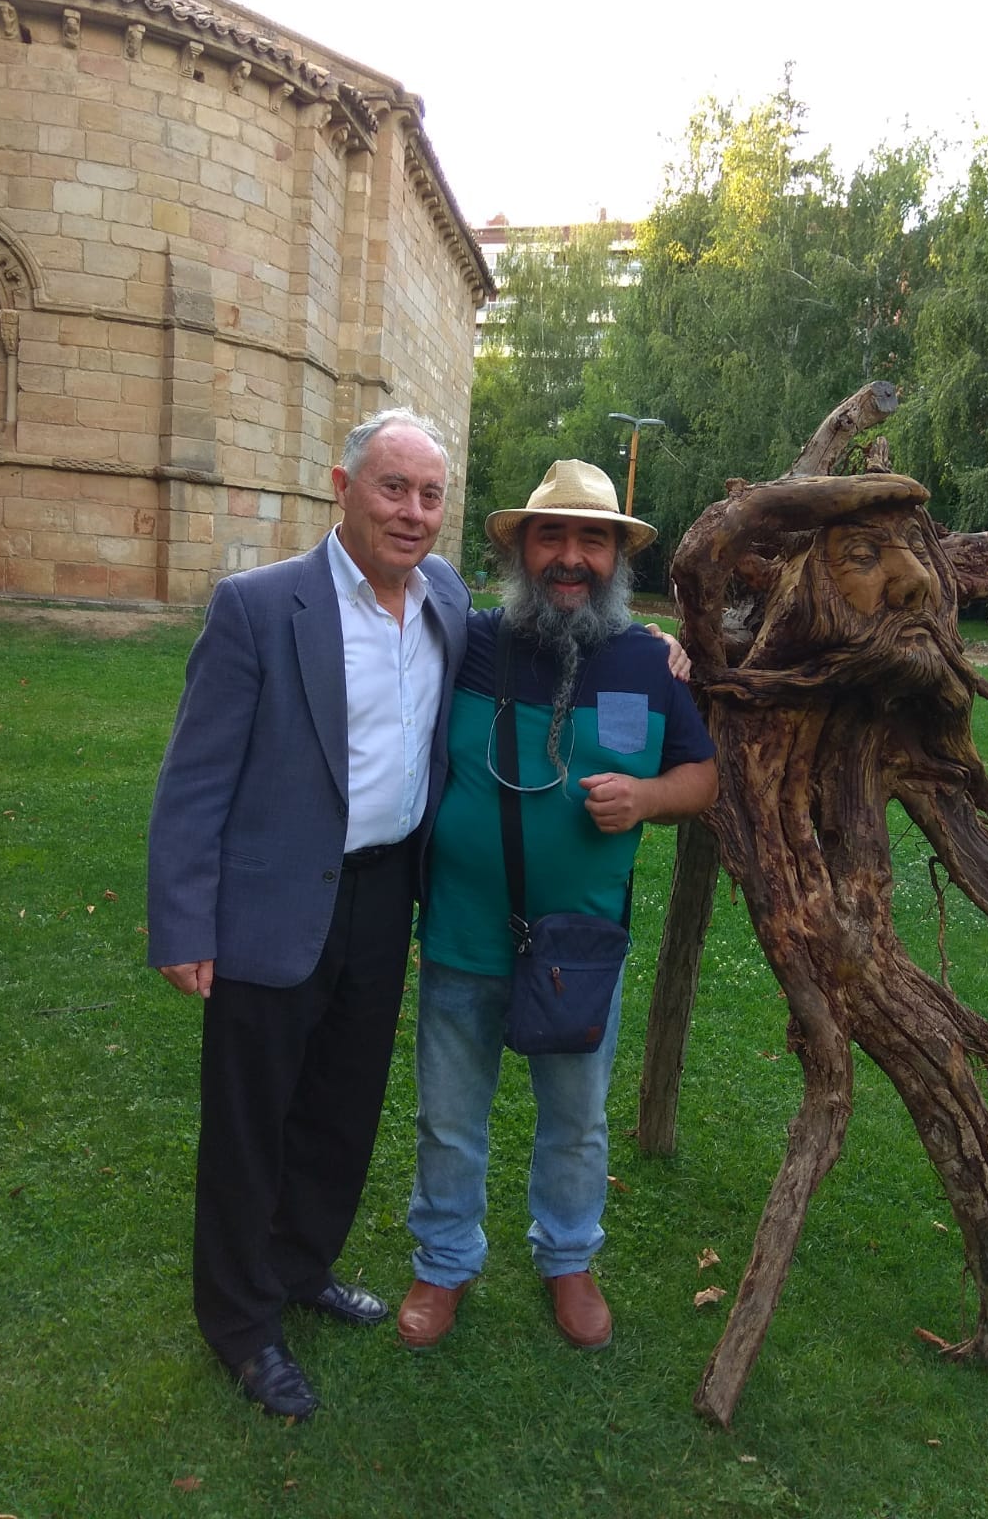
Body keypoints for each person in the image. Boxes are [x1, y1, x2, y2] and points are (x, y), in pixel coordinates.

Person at [147, 407, 471, 1420]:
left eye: (429, 494)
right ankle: (239, 1323)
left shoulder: (448, 599)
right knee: (251, 1122)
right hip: (271, 901)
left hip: (383, 896)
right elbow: (195, 781)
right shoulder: (259, 607)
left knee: (341, 1105)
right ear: (343, 486)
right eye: (392, 488)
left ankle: (299, 1266)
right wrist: (186, 924)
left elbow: (547, 645)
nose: (413, 512)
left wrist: (654, 646)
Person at [397, 460, 719, 1353]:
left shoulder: (655, 663)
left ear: (617, 556)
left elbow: (705, 774)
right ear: (521, 549)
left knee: (576, 1122)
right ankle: (443, 1262)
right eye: (553, 537)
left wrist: (650, 800)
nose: (570, 557)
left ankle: (569, 1258)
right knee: (448, 1117)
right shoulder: (467, 641)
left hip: (581, 945)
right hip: (462, 932)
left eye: (592, 539)